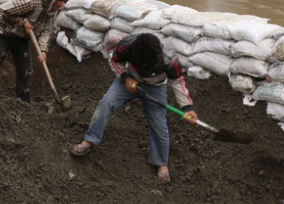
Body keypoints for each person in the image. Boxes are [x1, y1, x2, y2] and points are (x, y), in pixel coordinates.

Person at [70, 33, 197, 184]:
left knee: (159, 124)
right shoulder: (127, 46)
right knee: (106, 103)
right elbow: (114, 61)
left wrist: (187, 107)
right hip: (129, 80)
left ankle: (161, 162)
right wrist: (125, 78)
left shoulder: (168, 59)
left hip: (155, 87)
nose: (143, 66)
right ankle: (90, 140)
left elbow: (177, 82)